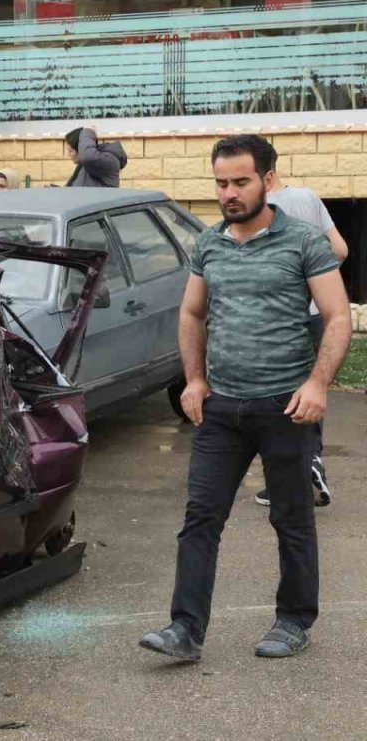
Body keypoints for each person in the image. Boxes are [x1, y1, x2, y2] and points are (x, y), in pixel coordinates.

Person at [139, 134, 350, 663]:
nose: (229, 193)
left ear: (268, 180)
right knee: (200, 517)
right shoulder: (208, 244)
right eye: (221, 183)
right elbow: (191, 313)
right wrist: (193, 380)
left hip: (286, 406)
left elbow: (338, 315)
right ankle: (185, 630)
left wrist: (318, 384)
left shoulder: (303, 241)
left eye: (240, 181)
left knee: (291, 517)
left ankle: (294, 620)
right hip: (223, 410)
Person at [253, 166, 350, 508]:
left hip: (273, 321)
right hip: (312, 314)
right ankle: (312, 458)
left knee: (275, 396)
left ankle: (285, 477)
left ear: (262, 174)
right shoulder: (307, 198)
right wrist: (314, 281)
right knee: (311, 390)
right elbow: (339, 249)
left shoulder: (255, 206)